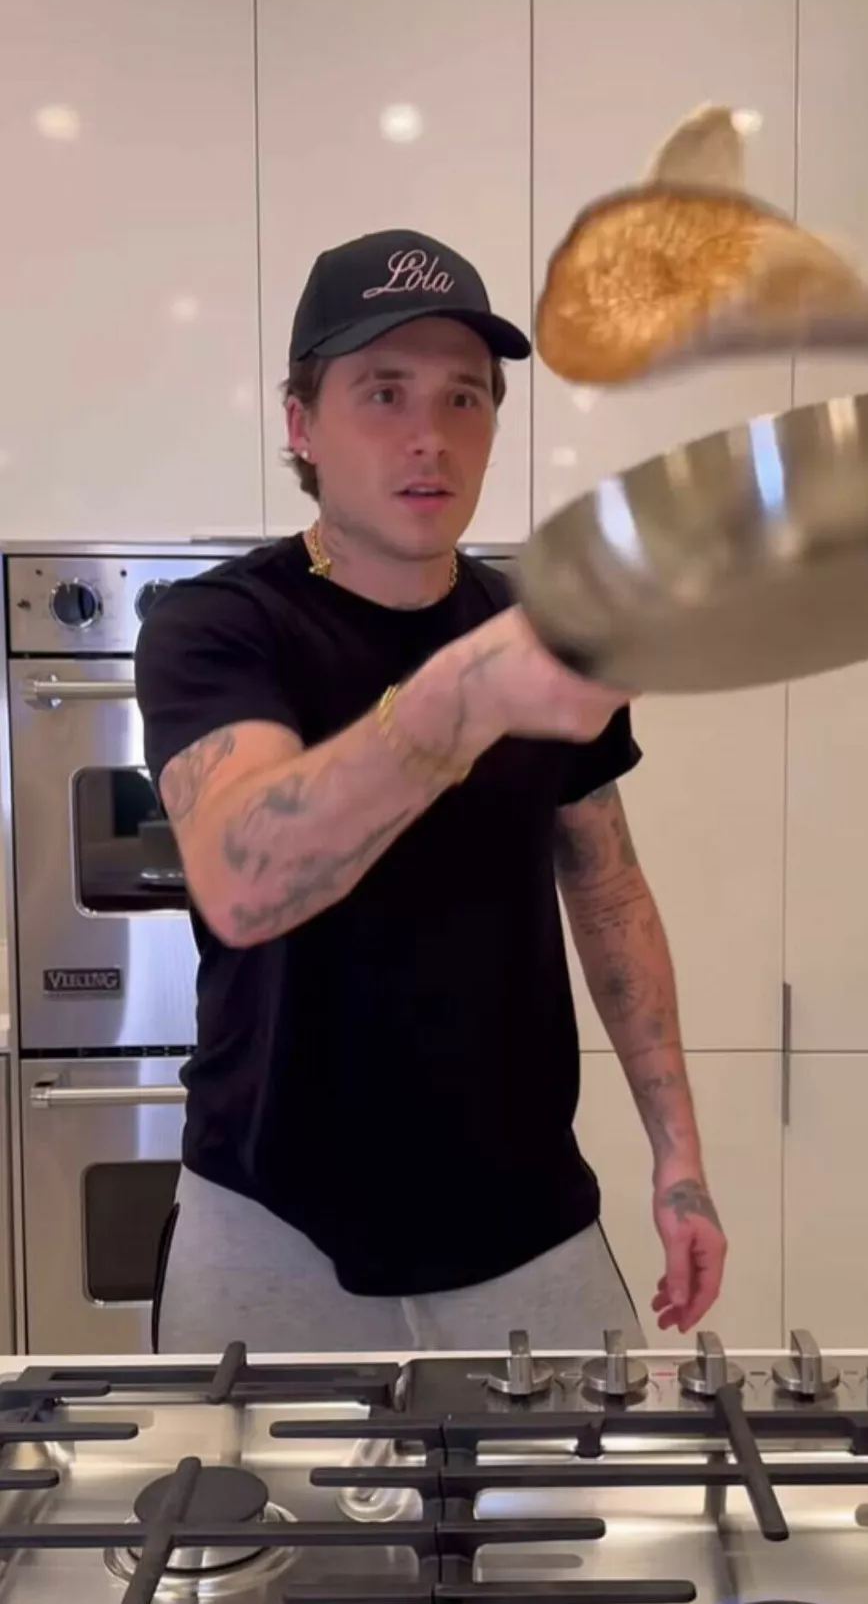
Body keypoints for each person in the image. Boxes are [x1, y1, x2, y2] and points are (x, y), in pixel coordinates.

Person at [135, 227, 727, 1354]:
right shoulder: (219, 626)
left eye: (465, 397)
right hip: (271, 1222)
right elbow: (245, 877)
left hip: (525, 1224)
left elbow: (607, 893)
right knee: (246, 1484)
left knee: (583, 1480)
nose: (429, 435)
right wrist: (468, 693)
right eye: (383, 391)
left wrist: (679, 1159)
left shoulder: (534, 627)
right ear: (301, 424)